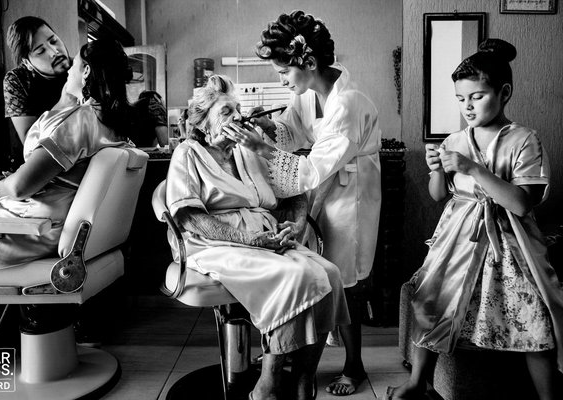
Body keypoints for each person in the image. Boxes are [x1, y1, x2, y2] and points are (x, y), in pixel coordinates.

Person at [384, 39, 563, 400]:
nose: (467, 106)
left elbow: (522, 204)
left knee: (533, 317)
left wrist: (473, 169)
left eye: (477, 96)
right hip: (458, 237)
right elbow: (440, 195)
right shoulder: (454, 140)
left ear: (504, 93)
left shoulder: (524, 139)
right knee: (429, 302)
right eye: (460, 98)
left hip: (509, 243)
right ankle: (417, 383)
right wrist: (436, 170)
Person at [223, 10, 382, 396]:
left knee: (345, 280)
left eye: (283, 72)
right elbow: (293, 133)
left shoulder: (349, 103)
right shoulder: (309, 93)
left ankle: (354, 366)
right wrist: (267, 128)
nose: (281, 80)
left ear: (308, 62)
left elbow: (310, 169)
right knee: (320, 271)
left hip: (351, 196)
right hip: (323, 187)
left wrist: (261, 148)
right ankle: (300, 360)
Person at [163, 74, 350, 400]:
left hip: (263, 237)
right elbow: (191, 218)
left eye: (238, 109)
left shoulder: (247, 149)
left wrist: (297, 225)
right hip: (213, 242)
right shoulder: (188, 154)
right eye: (226, 112)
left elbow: (294, 189)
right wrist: (249, 240)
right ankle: (267, 385)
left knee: (331, 275)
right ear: (204, 123)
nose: (237, 116)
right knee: (295, 275)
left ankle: (304, 379)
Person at [0, 38, 132, 270]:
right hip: (53, 228)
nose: (68, 71)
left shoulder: (81, 120)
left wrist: (5, 186)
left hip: (27, 231)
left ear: (86, 71)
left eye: (74, 65)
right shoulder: (115, 127)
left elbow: (19, 188)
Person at [4, 16, 73, 144]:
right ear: (27, 62)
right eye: (41, 51)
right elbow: (29, 141)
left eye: (54, 41)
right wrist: (63, 104)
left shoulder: (81, 66)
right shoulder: (17, 80)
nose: (54, 52)